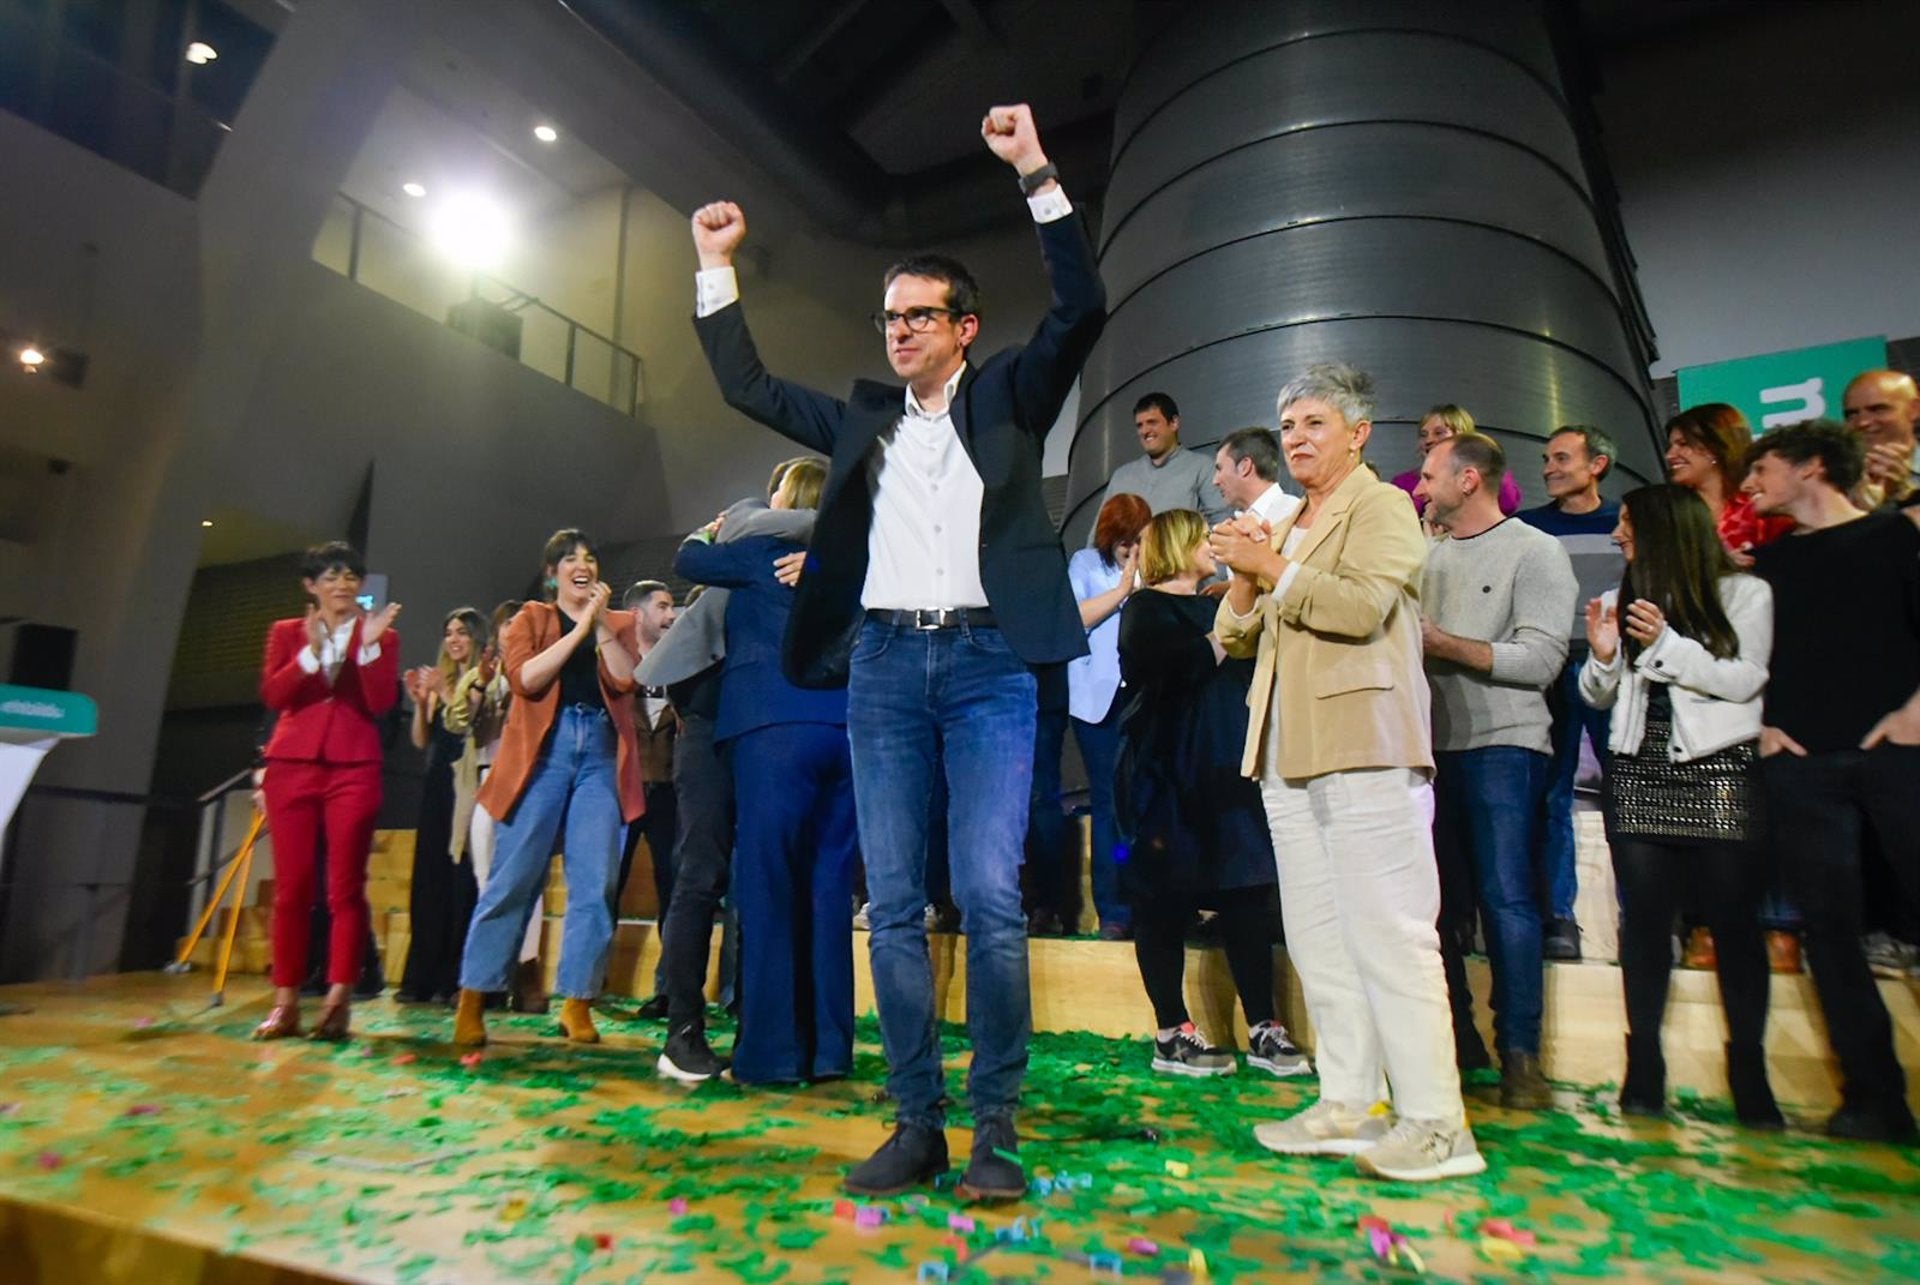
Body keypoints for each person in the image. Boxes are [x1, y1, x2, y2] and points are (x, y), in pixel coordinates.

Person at [688, 102, 1105, 1200]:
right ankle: (916, 1120)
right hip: (879, 672)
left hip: (988, 672)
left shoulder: (1014, 394)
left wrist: (1033, 172)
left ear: (966, 326)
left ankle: (995, 1130)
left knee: (991, 893)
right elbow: (747, 386)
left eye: (922, 315)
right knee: (897, 904)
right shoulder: (864, 421)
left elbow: (1082, 304)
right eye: (890, 318)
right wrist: (714, 266)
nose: (901, 331)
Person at [1211, 362, 1482, 1183]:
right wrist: (1246, 576)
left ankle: (1437, 1121)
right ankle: (1349, 1100)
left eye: (1314, 424)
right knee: (1322, 940)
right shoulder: (1288, 519)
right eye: (1288, 426)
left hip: (1366, 741)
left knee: (1391, 936)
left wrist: (1272, 570)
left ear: (1359, 434)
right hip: (1286, 749)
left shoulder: (1386, 505)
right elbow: (1231, 634)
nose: (1296, 438)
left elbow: (1362, 605)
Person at [1578, 484, 1781, 1127]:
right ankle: (1644, 1068)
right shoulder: (1618, 600)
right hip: (1638, 775)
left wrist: (1666, 643)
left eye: (1628, 524)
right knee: (1642, 925)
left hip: (1718, 773)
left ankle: (1748, 1069)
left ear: (1666, 530)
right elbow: (1600, 694)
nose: (1617, 535)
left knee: (1733, 925)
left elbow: (1744, 679)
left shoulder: (1746, 594)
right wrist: (1604, 658)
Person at [1745, 420, 1920, 1143]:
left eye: (1765, 467)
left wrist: (1915, 710)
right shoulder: (1772, 563)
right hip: (1804, 770)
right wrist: (1762, 726)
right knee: (1831, 934)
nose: (1752, 482)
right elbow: (1750, 656)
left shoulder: (1892, 538)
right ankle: (1874, 1098)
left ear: (1813, 466)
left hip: (1895, 758)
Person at [675, 459, 858, 1085]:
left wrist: (712, 526)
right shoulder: (854, 558)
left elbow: (690, 561)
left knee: (768, 888)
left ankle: (771, 1055)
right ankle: (830, 1050)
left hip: (771, 729)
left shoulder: (758, 550)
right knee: (829, 894)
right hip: (843, 731)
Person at [636, 466, 819, 1080]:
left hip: (761, 727)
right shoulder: (751, 536)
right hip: (712, 724)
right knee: (702, 875)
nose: (768, 502)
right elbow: (709, 543)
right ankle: (682, 1029)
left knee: (752, 882)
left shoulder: (797, 554)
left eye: (781, 492)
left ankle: (753, 1023)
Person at [1116, 509, 1308, 1079]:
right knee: (1163, 902)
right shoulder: (1146, 609)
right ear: (1177, 546)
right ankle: (1172, 1031)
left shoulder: (1217, 604)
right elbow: (1189, 663)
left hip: (1229, 770)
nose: (1213, 545)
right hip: (1167, 776)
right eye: (1203, 538)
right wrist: (1235, 608)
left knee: (1247, 896)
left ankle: (1263, 1026)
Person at [1416, 433, 1576, 1109]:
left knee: (1508, 899)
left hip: (1505, 747)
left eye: (1429, 476)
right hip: (1430, 750)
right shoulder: (1425, 557)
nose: (1420, 488)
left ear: (1471, 479)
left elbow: (1541, 660)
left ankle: (1521, 1056)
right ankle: (1458, 1042)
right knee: (1437, 910)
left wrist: (1444, 643)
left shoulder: (1537, 551)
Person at [453, 529, 643, 1048]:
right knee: (512, 880)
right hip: (545, 753)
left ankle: (577, 1002)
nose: (582, 565)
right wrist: (577, 627)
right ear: (552, 573)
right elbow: (526, 680)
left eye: (589, 557)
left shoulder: (619, 622)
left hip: (600, 755)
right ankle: (474, 997)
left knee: (595, 882)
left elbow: (628, 679)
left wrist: (599, 623)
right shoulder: (531, 619)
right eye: (569, 559)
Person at [1663, 402, 1797, 972]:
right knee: (1695, 814)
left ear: (1715, 446)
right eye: (1669, 444)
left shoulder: (1760, 511)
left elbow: (1791, 576)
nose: (1671, 455)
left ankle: (1781, 924)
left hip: (1758, 673)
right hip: (1686, 682)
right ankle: (1705, 926)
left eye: (1682, 444)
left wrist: (1750, 570)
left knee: (1764, 806)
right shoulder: (1673, 515)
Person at [252, 541, 401, 1041]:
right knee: (292, 890)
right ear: (311, 585)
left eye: (351, 577)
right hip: (291, 766)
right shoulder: (286, 632)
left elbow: (380, 702)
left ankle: (339, 999)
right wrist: (312, 656)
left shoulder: (380, 635)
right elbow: (275, 695)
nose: (343, 584)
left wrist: (371, 648)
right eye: (332, 576)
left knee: (345, 889)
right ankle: (285, 1001)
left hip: (353, 769)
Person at [1517, 426, 1623, 962]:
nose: (1549, 468)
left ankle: (1641, 916)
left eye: (1562, 458)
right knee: (1552, 794)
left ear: (1597, 464)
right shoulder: (1530, 528)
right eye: (1546, 459)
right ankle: (1559, 918)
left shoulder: (1625, 523)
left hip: (1614, 668)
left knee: (1626, 791)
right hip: (1553, 668)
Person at [1064, 492, 1152, 940]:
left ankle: (1150, 904)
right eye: (1123, 541)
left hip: (1141, 697)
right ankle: (1113, 910)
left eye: (1137, 539)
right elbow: (1072, 618)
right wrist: (1122, 592)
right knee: (1108, 802)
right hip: (1095, 702)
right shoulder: (1084, 565)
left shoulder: (1154, 567)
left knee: (1144, 802)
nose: (1131, 549)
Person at [395, 608, 488, 1006]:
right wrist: (420, 702)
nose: (454, 640)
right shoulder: (441, 679)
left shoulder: (482, 677)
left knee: (460, 880)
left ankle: (456, 977)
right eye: (449, 632)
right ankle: (423, 976)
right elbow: (421, 740)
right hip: (436, 783)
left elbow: (467, 723)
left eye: (462, 633)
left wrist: (445, 693)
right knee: (429, 878)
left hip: (466, 782)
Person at [458, 599, 543, 1013]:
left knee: (527, 875)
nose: (512, 630)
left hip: (527, 777)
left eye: (518, 623)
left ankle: (528, 972)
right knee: (485, 877)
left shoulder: (540, 668)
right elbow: (464, 726)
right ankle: (489, 974)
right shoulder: (484, 677)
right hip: (488, 774)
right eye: (506, 625)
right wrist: (480, 686)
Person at [615, 579, 680, 1020]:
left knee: (673, 892)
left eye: (672, 605)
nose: (671, 614)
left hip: (672, 791)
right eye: (662, 606)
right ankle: (585, 984)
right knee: (606, 885)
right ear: (637, 614)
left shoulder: (681, 661)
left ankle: (669, 990)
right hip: (624, 789)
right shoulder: (615, 664)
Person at [1095, 393, 1230, 526]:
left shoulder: (1202, 468)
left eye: (1152, 422)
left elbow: (1221, 525)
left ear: (1174, 423)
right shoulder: (1122, 476)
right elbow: (1098, 537)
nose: (1145, 431)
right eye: (1140, 425)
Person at [1392, 405, 1521, 517]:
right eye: (1423, 434)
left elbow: (1508, 503)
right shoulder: (1403, 482)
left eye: (1439, 433)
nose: (1428, 440)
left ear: (1462, 437)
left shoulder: (1486, 472)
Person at [1841, 368, 1919, 509]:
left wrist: (1899, 496)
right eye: (1852, 414)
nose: (1862, 422)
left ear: (1914, 409)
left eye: (1878, 409)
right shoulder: (1833, 487)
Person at [1212, 426, 1302, 531]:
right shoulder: (1233, 525)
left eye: (1220, 469)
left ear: (1244, 467)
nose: (1215, 481)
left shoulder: (1294, 515)